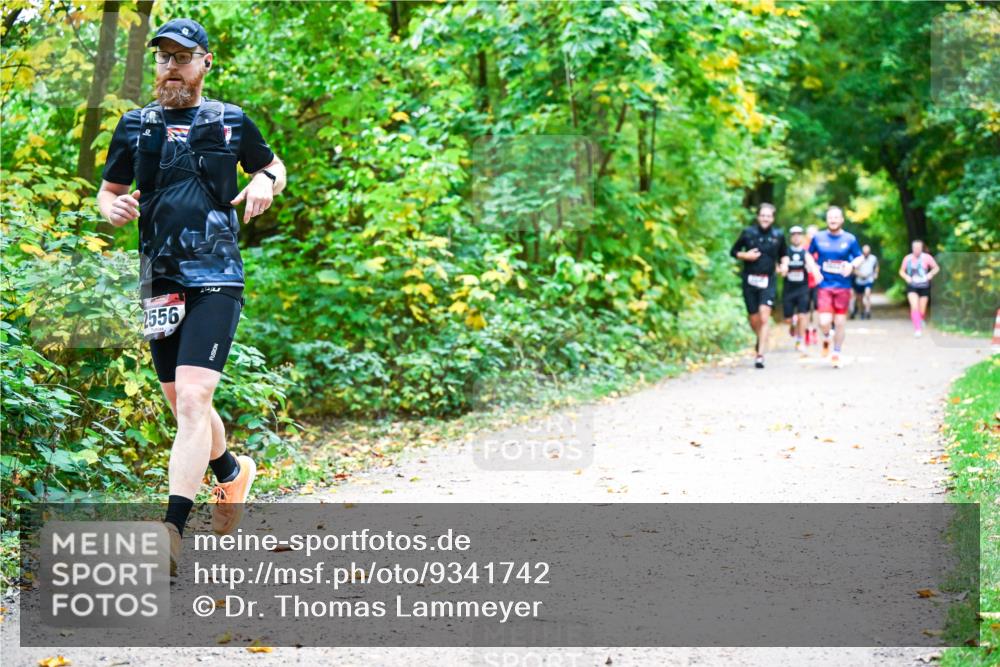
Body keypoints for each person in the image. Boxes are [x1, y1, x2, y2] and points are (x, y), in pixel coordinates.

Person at [96, 18, 287, 575]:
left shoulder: (229, 120)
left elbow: (272, 165)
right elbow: (107, 195)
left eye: (183, 56)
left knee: (194, 402)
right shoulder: (135, 126)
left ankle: (171, 532)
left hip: (217, 277)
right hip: (159, 281)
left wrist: (263, 182)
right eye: (163, 57)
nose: (171, 66)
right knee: (181, 402)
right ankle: (229, 471)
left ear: (205, 62)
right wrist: (113, 209)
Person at [730, 203, 788, 369]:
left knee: (764, 316)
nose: (765, 218)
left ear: (773, 218)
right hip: (749, 280)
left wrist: (784, 265)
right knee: (754, 319)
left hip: (768, 280)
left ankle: (760, 355)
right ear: (758, 217)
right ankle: (760, 338)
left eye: (768, 216)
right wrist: (745, 255)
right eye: (763, 215)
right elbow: (733, 251)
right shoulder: (748, 233)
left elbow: (784, 255)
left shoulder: (778, 235)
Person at [808, 206, 863, 367]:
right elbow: (808, 255)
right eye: (830, 217)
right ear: (827, 220)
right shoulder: (818, 238)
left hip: (843, 286)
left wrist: (852, 265)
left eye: (836, 217)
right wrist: (814, 268)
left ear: (842, 220)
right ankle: (826, 336)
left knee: (840, 322)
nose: (833, 220)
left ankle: (836, 352)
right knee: (824, 321)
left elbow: (859, 257)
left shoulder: (849, 239)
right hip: (825, 285)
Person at [898, 239, 939, 337]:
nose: (916, 250)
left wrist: (930, 274)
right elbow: (901, 271)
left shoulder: (927, 258)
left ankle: (920, 319)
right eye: (915, 248)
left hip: (924, 286)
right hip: (912, 286)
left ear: (922, 248)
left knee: (922, 310)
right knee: (914, 306)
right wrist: (906, 277)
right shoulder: (907, 258)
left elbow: (936, 268)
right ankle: (917, 329)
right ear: (912, 248)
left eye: (918, 248)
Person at [782, 226, 813, 352]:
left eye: (799, 234)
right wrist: (782, 268)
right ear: (790, 237)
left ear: (802, 236)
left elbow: (811, 269)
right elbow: (781, 268)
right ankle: (792, 324)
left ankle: (800, 340)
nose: (796, 236)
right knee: (788, 318)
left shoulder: (806, 253)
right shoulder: (786, 252)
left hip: (802, 289)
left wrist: (810, 267)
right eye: (793, 234)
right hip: (789, 289)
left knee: (802, 315)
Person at [851, 244, 879, 320]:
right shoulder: (858, 259)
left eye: (867, 252)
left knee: (867, 293)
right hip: (859, 280)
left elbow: (876, 267)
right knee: (859, 298)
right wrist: (860, 274)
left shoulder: (873, 258)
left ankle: (868, 311)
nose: (866, 253)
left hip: (869, 279)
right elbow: (853, 269)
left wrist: (876, 274)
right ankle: (862, 311)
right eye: (865, 252)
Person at [804, 224, 820, 345]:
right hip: (804, 283)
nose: (812, 236)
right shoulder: (804, 248)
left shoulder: (822, 248)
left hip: (817, 282)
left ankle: (814, 330)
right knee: (805, 308)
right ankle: (806, 331)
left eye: (814, 233)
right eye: (810, 233)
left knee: (816, 308)